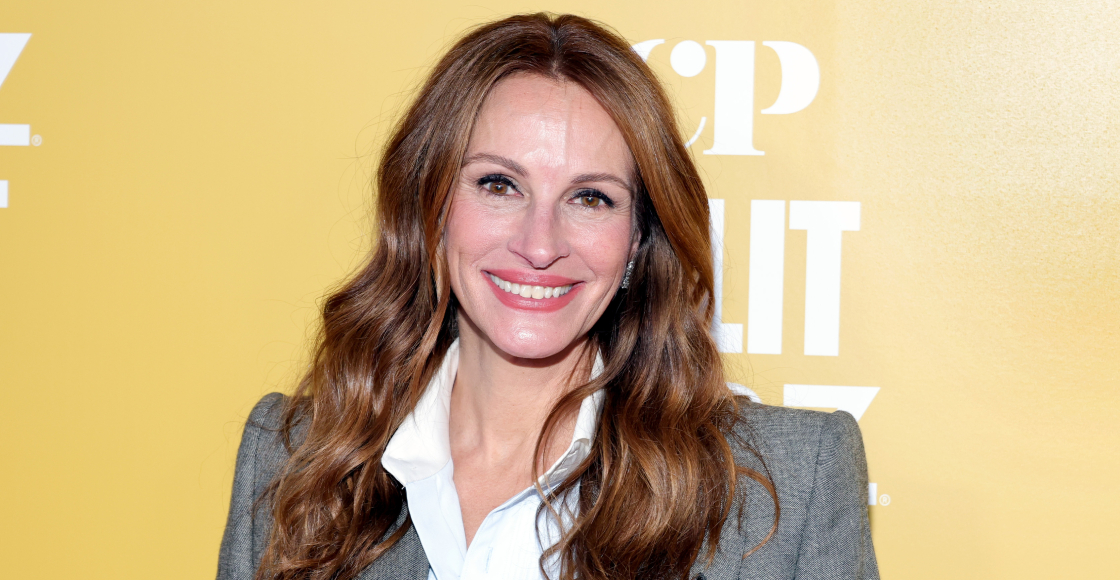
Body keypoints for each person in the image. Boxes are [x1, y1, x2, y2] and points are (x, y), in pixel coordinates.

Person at [217, 12, 878, 580]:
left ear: (637, 241)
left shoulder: (791, 485)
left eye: (591, 198)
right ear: (430, 210)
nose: (540, 245)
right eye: (499, 185)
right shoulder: (292, 459)